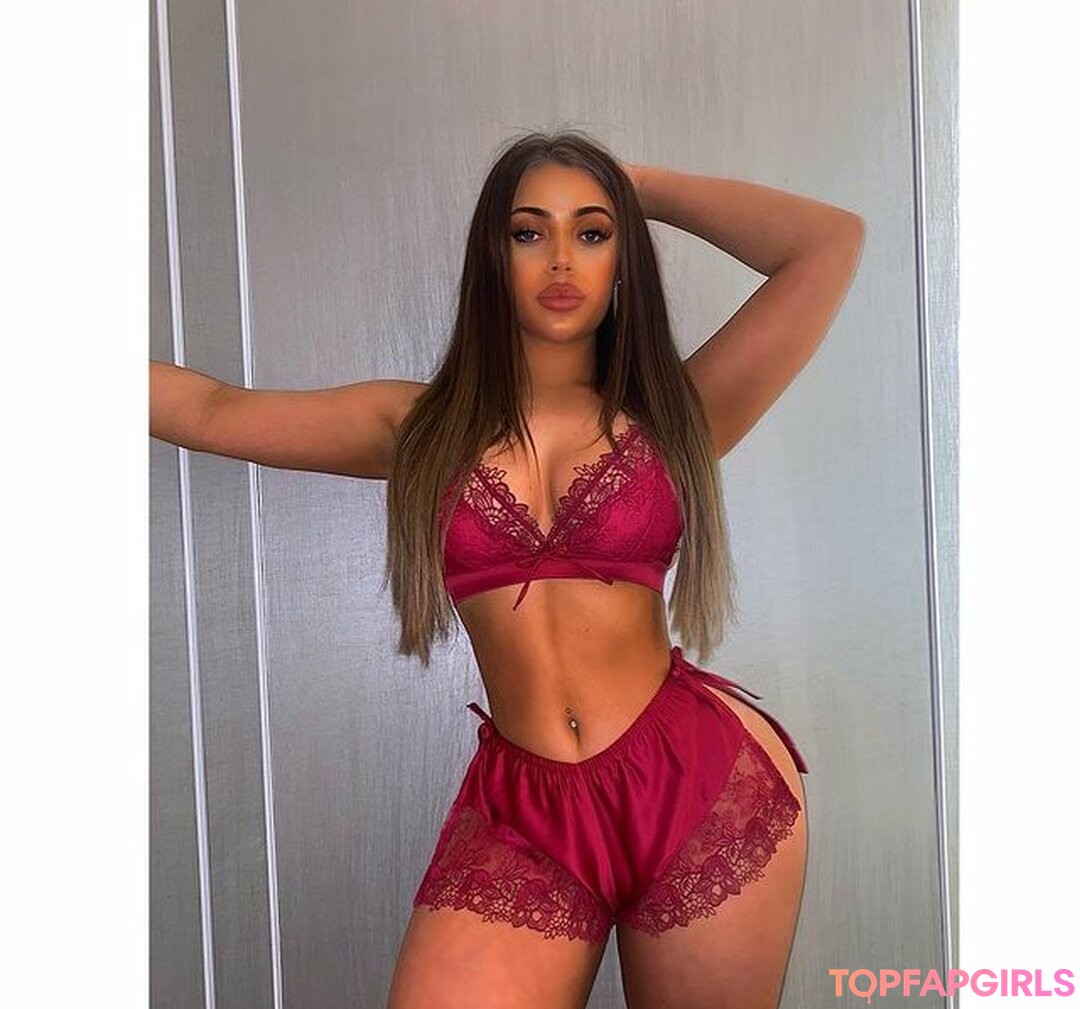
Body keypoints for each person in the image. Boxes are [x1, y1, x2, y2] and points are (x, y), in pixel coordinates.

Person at [150, 130, 864, 1009]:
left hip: (695, 783)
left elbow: (826, 242)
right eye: (529, 231)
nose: (561, 257)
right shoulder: (418, 426)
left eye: (592, 232)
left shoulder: (681, 413)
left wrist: (635, 185)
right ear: (493, 255)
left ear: (623, 259)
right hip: (526, 813)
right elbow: (209, 409)